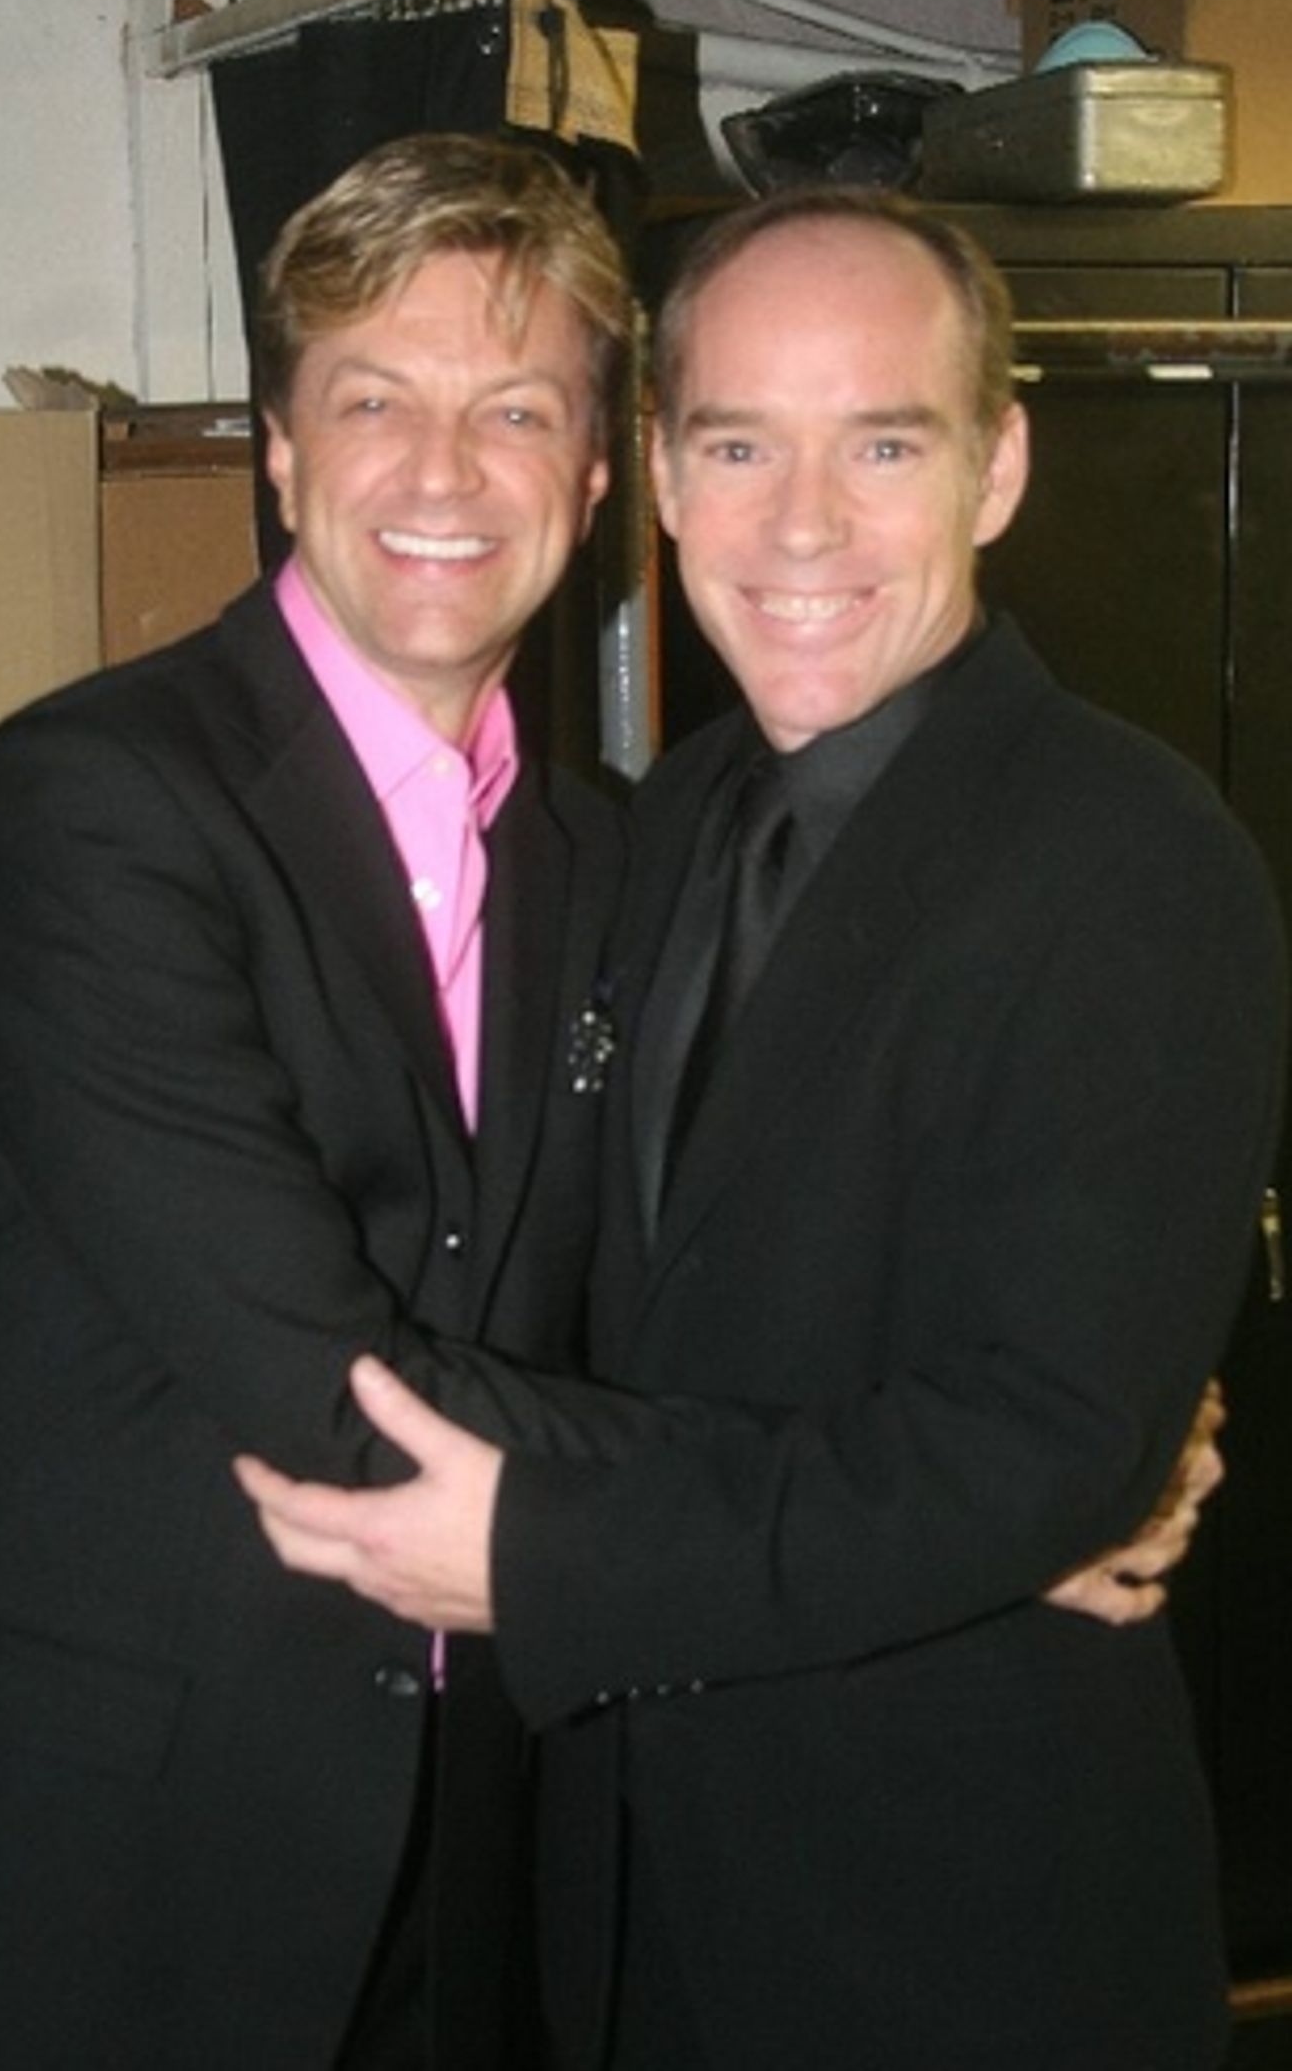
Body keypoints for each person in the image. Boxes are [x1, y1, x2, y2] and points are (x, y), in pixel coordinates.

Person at [237, 187, 1288, 2071]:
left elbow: (1043, 1435)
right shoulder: (654, 827)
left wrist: (560, 1558)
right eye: (738, 446)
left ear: (995, 469)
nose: (803, 526)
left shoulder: (1128, 858)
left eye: (882, 444)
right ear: (654, 475)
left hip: (953, 1934)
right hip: (639, 1916)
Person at [0, 133, 670, 2071]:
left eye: (515, 410)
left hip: (459, 1832)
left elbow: (666, 1287)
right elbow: (335, 1386)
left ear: (594, 477)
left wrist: (1021, 1404)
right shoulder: (92, 808)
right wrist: (940, 1512)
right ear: (283, 453)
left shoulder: (593, 860)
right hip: (112, 1848)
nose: (442, 472)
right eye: (375, 400)